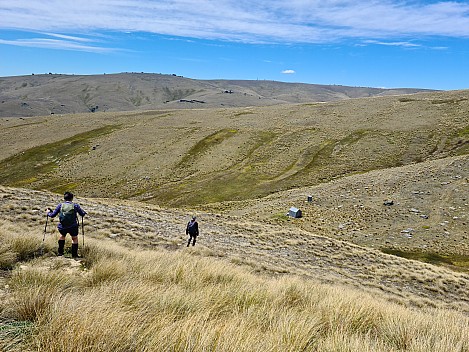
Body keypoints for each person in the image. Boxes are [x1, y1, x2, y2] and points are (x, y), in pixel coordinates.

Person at [46, 191, 87, 258]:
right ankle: (74, 255)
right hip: (73, 226)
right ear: (72, 198)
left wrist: (48, 212)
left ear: (64, 198)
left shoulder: (60, 205)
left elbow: (52, 215)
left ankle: (60, 253)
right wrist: (84, 213)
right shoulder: (75, 205)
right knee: (74, 238)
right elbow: (82, 214)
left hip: (62, 226)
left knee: (62, 236)